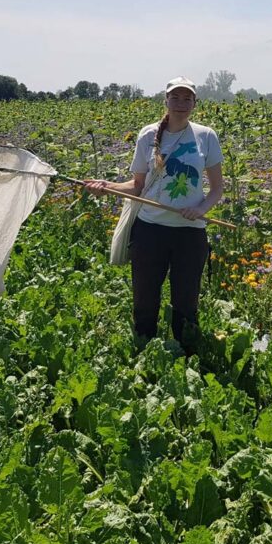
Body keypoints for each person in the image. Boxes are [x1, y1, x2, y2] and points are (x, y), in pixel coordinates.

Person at [84, 76, 223, 353]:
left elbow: (217, 189)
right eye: (175, 97)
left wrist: (200, 210)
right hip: (150, 230)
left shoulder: (206, 136)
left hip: (190, 233)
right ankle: (143, 351)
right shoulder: (148, 135)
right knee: (145, 299)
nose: (181, 103)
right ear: (166, 100)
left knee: (186, 301)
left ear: (195, 103)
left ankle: (186, 355)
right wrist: (106, 186)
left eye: (187, 98)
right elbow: (137, 185)